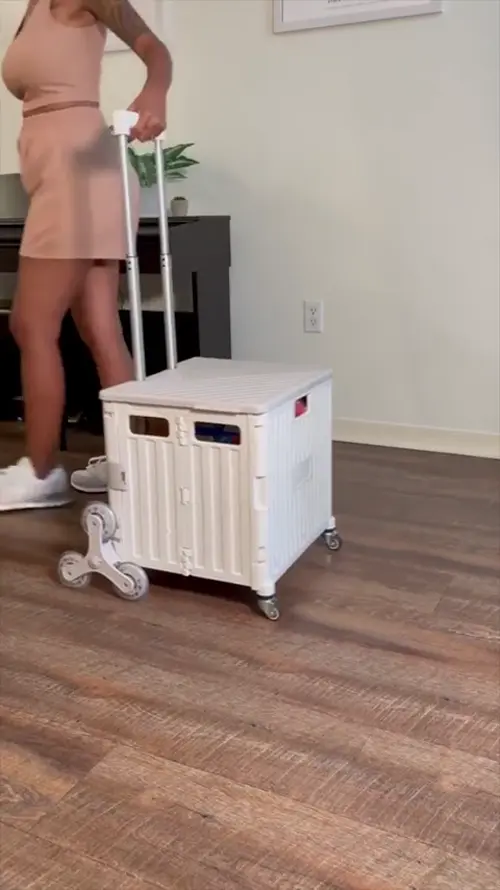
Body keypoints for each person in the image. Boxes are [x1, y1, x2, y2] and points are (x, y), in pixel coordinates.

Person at [0, 0, 172, 511]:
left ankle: (40, 471)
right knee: (98, 326)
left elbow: (153, 48)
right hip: (65, 173)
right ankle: (132, 465)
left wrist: (154, 91)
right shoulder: (35, 7)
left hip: (79, 174)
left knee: (30, 325)